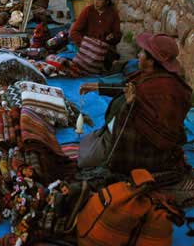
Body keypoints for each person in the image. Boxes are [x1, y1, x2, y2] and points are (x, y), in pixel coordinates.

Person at [79, 33, 192, 175]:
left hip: (142, 149)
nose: (138, 55)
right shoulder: (147, 75)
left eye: (142, 52)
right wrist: (96, 87)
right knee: (86, 144)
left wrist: (129, 105)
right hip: (118, 131)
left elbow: (159, 133)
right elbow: (124, 86)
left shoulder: (166, 91)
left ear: (151, 61)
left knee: (84, 160)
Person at [69, 0, 122, 71]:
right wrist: (86, 45)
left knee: (110, 60)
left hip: (104, 49)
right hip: (87, 48)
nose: (96, 2)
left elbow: (118, 35)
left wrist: (112, 37)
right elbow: (74, 32)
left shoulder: (113, 14)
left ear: (107, 1)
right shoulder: (88, 11)